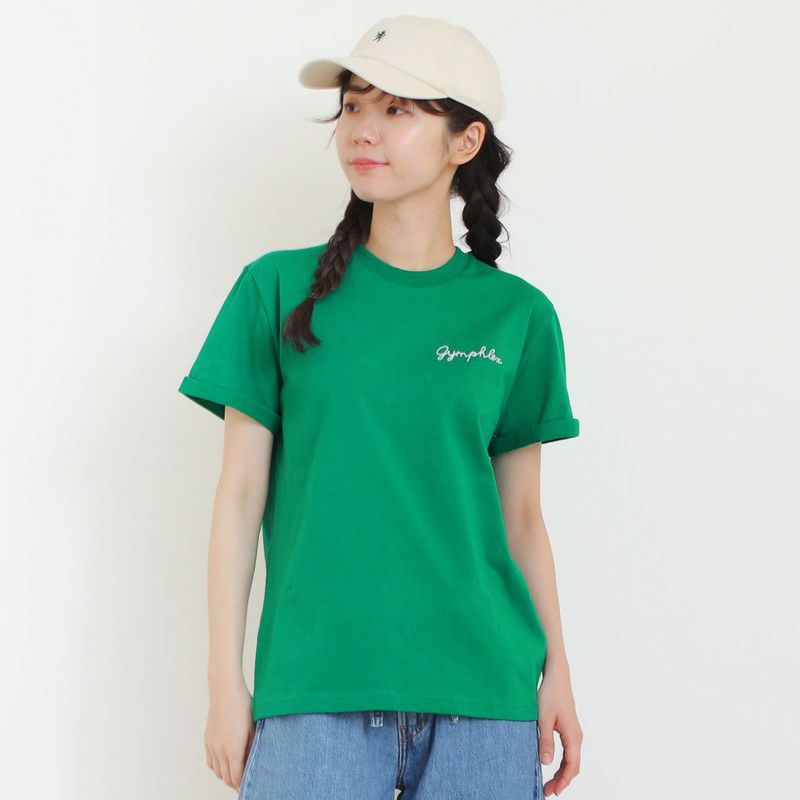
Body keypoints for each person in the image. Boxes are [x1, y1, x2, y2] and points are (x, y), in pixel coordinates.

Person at [178, 14, 583, 800]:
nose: (364, 129)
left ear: (465, 141)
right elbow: (239, 495)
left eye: (398, 109)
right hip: (316, 688)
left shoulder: (518, 316)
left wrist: (557, 671)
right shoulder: (275, 289)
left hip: (485, 693)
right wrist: (225, 683)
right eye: (355, 105)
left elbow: (523, 518)